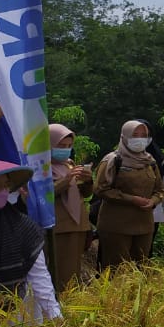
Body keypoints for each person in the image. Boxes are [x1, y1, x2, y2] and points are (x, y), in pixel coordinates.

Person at [0, 158, 61, 327]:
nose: (4, 191)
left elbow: (40, 277)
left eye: (6, 185)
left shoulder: (22, 228)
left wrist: (55, 317)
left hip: (21, 320)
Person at [92, 120, 164, 269]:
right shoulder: (112, 160)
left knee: (142, 268)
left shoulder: (150, 161)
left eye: (143, 135)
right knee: (117, 270)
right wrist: (132, 199)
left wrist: (153, 201)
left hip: (144, 225)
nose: (140, 139)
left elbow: (160, 190)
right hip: (116, 225)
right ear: (124, 136)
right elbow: (101, 189)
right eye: (135, 135)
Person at [0, 105, 50, 227]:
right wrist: (5, 101)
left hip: (24, 183)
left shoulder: (30, 119)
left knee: (22, 227)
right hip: (0, 183)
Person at [49, 124, 93, 292]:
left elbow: (85, 193)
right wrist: (66, 181)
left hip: (78, 224)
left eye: (68, 146)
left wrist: (88, 180)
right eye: (61, 146)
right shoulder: (41, 167)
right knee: (60, 272)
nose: (65, 150)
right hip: (59, 226)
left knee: (73, 271)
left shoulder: (69, 164)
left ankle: (72, 305)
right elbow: (43, 195)